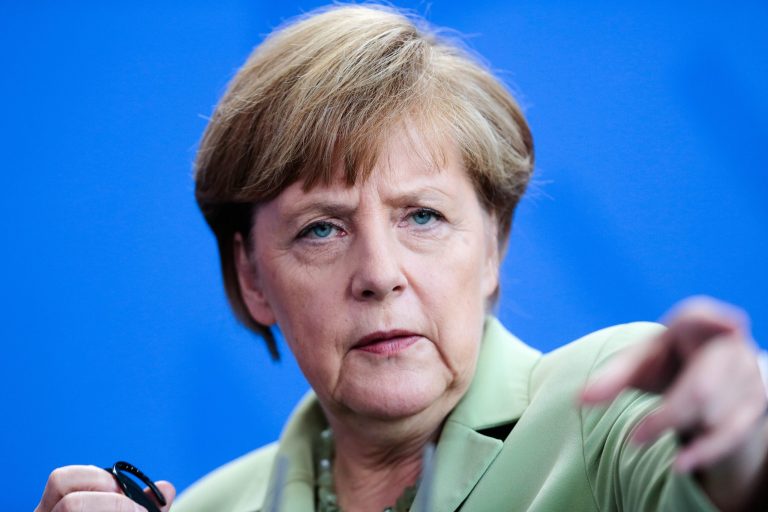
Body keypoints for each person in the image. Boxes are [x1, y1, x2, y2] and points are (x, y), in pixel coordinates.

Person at [35, 4, 768, 512]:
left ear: (492, 247)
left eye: (422, 215)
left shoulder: (608, 408)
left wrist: (746, 453)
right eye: (321, 229)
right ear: (252, 276)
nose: (380, 274)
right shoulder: (208, 505)